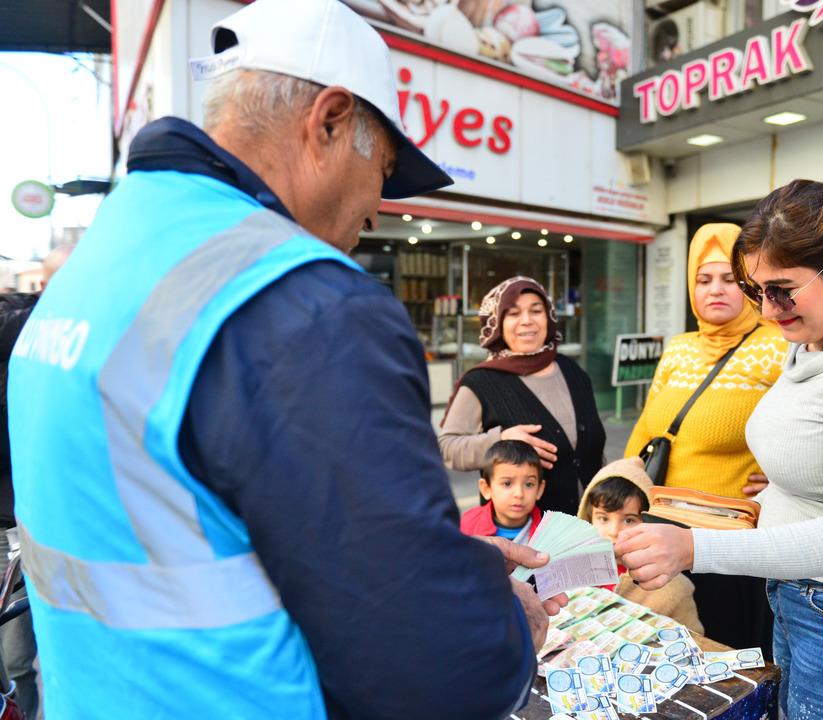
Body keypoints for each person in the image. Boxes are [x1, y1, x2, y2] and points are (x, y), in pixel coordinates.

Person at [8, 2, 564, 718]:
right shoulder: (308, 305)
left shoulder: (96, 264)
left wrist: (438, 562)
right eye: (384, 171)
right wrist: (500, 624)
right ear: (329, 121)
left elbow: (188, 528)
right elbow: (429, 662)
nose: (375, 214)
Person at [616, 179, 823, 719]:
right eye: (756, 291)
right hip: (807, 598)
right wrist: (780, 489)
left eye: (781, 289)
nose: (768, 310)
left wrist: (692, 548)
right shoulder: (815, 341)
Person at [625, 222, 786, 653]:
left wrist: (786, 484)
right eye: (703, 279)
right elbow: (644, 433)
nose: (716, 289)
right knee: (669, 653)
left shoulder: (779, 347)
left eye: (731, 279)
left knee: (729, 658)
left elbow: (808, 435)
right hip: (662, 532)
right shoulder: (678, 348)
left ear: (752, 285)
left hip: (729, 544)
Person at [440, 276, 606, 515]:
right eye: (514, 313)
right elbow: (447, 448)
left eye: (536, 311)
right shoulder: (481, 382)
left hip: (587, 529)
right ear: (497, 323)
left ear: (548, 317)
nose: (527, 321)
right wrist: (501, 440)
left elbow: (593, 449)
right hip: (522, 538)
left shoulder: (574, 372)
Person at [0, 243, 73, 720]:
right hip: (19, 519)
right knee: (17, 657)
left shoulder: (65, 336)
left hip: (40, 520)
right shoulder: (26, 331)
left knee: (26, 658)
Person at [577, 457, 703, 633]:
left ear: (649, 523)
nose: (614, 531)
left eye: (629, 520)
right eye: (603, 518)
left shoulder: (674, 589)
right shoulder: (571, 570)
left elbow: (695, 641)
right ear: (587, 519)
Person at [461, 440, 545, 541]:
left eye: (528, 484)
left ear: (539, 489)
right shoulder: (469, 525)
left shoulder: (548, 531)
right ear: (486, 488)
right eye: (507, 483)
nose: (519, 494)